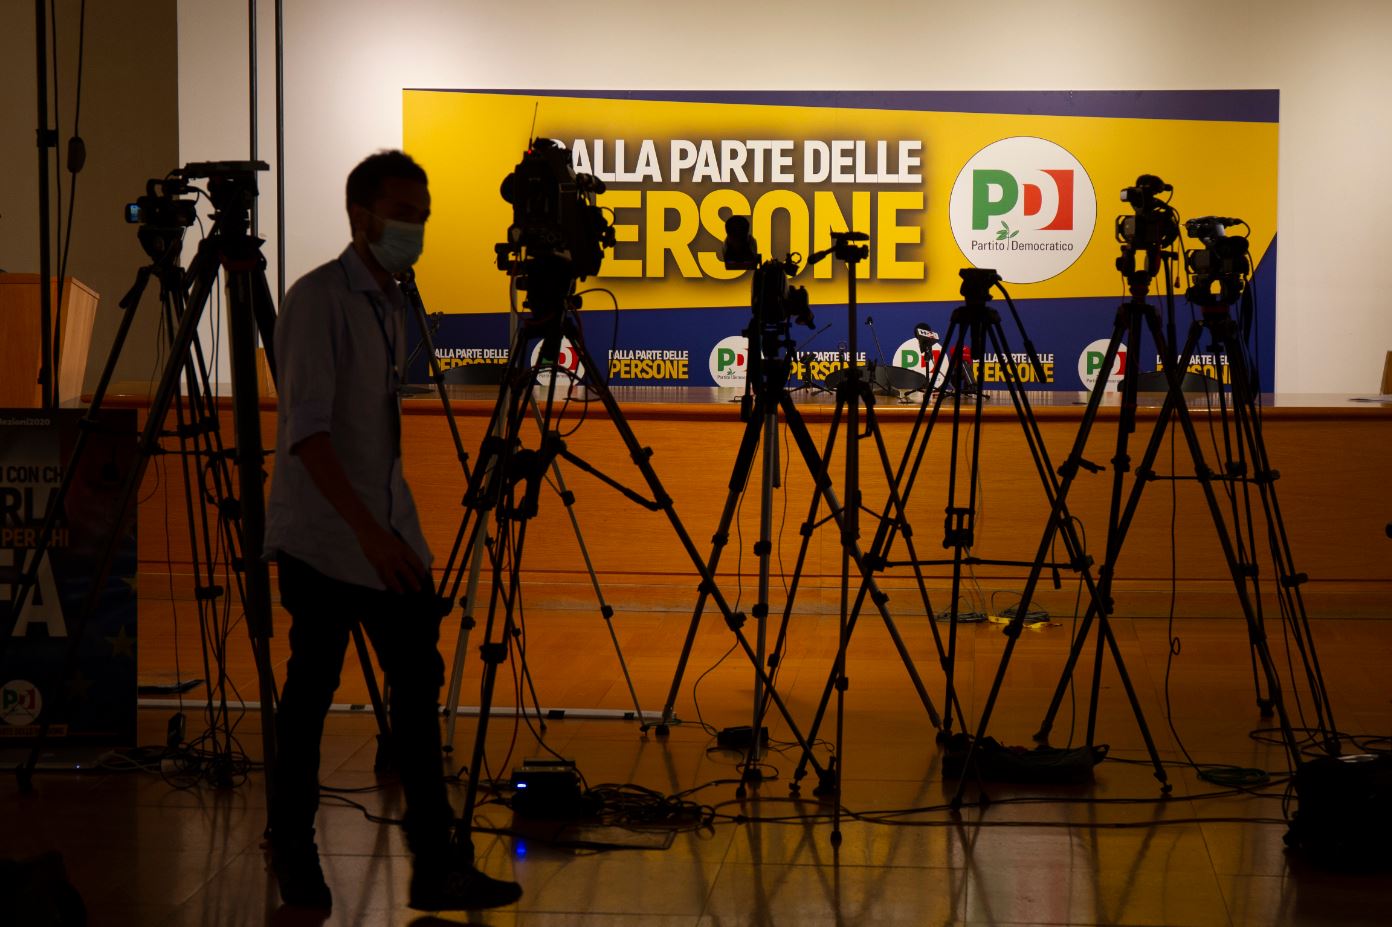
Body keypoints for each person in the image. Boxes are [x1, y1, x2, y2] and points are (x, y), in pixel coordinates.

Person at [263, 149, 521, 912]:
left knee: (417, 690)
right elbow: (308, 435)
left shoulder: (392, 301)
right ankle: (292, 848)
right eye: (403, 214)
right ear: (362, 216)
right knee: (310, 694)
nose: (415, 229)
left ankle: (437, 861)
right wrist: (369, 535)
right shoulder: (318, 300)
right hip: (323, 537)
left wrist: (392, 532)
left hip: (386, 533)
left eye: (423, 217)